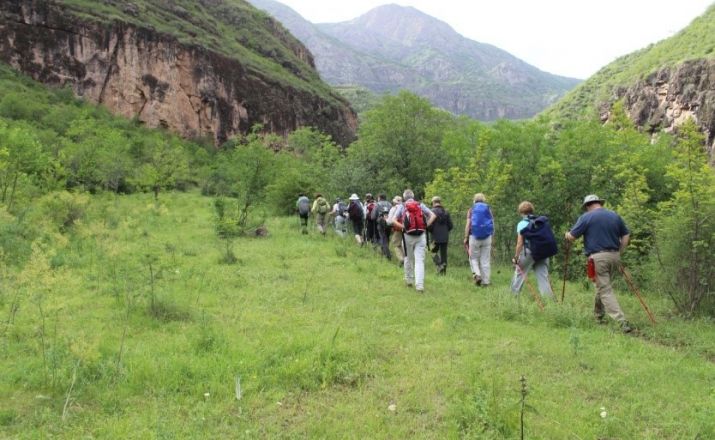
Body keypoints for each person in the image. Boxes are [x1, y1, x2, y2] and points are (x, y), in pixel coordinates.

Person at [565, 195, 633, 333]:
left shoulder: (587, 217)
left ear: (587, 206)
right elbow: (626, 235)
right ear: (599, 203)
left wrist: (567, 234)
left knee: (605, 289)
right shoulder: (614, 215)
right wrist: (620, 251)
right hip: (615, 256)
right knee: (602, 285)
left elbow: (572, 237)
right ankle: (598, 316)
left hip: (597, 257)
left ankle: (621, 321)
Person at [392, 189, 436, 293]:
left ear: (404, 197)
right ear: (413, 196)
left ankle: (409, 280)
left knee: (408, 258)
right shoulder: (420, 205)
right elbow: (433, 215)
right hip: (421, 235)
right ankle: (419, 286)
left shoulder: (402, 206)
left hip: (407, 235)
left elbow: (393, 220)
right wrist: (426, 225)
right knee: (419, 261)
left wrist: (403, 227)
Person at [510, 201, 554, 298]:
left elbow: (520, 243)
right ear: (532, 210)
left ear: (521, 212)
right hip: (543, 252)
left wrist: (516, 257)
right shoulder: (540, 222)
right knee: (543, 278)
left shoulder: (522, 223)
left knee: (519, 274)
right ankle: (549, 302)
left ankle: (512, 298)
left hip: (529, 253)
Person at [463, 193, 494, 286]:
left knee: (473, 258)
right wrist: (492, 234)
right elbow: (492, 222)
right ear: (484, 199)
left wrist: (466, 237)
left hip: (474, 237)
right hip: (487, 236)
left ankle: (477, 275)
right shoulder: (488, 208)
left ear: (474, 200)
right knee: (485, 260)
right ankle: (486, 282)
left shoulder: (471, 209)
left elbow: (468, 224)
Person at [428, 196, 453, 275]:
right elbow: (451, 225)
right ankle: (443, 272)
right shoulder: (446, 212)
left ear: (433, 203)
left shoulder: (431, 212)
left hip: (435, 237)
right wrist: (445, 231)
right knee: (444, 254)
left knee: (432, 252)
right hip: (445, 236)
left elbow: (428, 225)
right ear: (440, 202)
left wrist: (432, 231)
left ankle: (439, 264)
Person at [387, 196, 405, 265]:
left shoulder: (394, 208)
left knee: (396, 244)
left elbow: (390, 221)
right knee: (404, 245)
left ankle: (401, 259)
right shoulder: (405, 206)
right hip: (408, 228)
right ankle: (406, 259)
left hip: (398, 229)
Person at [374, 193, 393, 259]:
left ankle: (387, 254)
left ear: (379, 197)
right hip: (389, 223)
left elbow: (373, 216)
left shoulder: (377, 204)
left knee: (382, 238)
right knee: (387, 238)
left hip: (381, 223)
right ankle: (384, 252)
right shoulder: (390, 204)